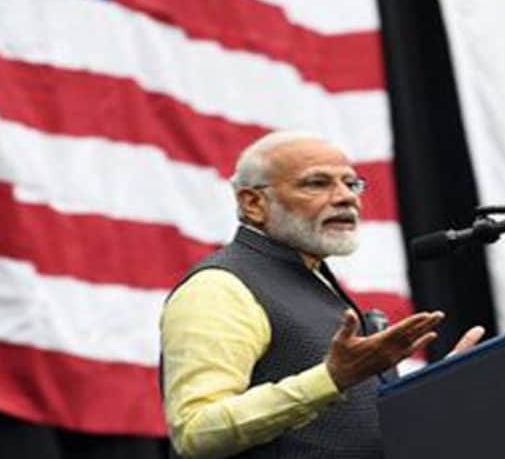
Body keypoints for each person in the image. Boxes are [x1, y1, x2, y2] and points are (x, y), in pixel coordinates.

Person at [160, 131, 484, 458]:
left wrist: (433, 390)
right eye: (317, 183)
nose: (346, 197)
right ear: (253, 203)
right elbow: (195, 431)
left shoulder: (312, 277)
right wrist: (332, 378)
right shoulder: (219, 287)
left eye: (351, 183)